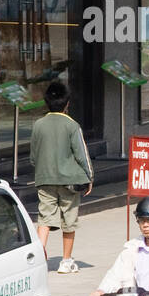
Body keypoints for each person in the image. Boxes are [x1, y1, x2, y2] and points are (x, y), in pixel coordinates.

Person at [30, 81, 94, 274]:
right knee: (69, 220)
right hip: (69, 180)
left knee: (45, 219)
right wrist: (89, 176)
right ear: (67, 104)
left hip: (44, 178)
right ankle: (66, 261)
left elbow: (33, 156)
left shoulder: (38, 125)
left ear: (46, 102)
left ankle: (39, 258)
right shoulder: (72, 125)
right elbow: (82, 153)